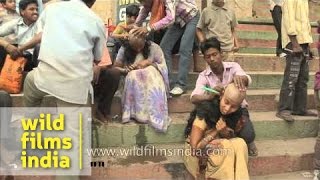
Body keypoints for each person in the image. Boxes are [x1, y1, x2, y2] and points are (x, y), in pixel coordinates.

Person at [190, 37, 257, 156]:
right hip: (217, 111)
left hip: (237, 110)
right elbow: (194, 98)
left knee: (248, 135)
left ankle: (241, 139)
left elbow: (248, 79)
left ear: (221, 53)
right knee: (204, 115)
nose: (212, 59)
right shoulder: (204, 76)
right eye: (208, 56)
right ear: (204, 58)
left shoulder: (233, 67)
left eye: (214, 54)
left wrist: (242, 78)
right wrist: (209, 96)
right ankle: (220, 135)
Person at [184, 83, 250, 180]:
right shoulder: (206, 110)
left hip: (218, 152)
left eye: (233, 106)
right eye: (226, 102)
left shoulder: (236, 114)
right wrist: (216, 131)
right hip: (196, 153)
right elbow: (195, 149)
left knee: (240, 143)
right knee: (225, 145)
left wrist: (223, 132)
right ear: (221, 95)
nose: (227, 109)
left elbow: (231, 137)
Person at [113, 31, 171, 132]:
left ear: (145, 41)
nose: (139, 49)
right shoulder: (124, 49)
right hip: (131, 77)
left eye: (141, 46)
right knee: (134, 76)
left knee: (151, 76)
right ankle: (137, 114)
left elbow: (163, 66)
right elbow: (115, 68)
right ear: (129, 44)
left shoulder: (154, 47)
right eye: (135, 47)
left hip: (152, 77)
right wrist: (125, 70)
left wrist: (150, 63)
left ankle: (154, 115)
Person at [276, 0, 316, 122]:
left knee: (303, 78)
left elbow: (305, 26)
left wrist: (308, 46)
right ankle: (284, 109)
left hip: (303, 43)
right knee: (291, 78)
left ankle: (300, 108)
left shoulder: (304, 2)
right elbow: (289, 20)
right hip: (293, 43)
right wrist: (294, 43)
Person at [0, 0, 38, 71]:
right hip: (21, 58)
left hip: (38, 59)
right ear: (22, 12)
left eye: (37, 9)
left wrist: (20, 49)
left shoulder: (40, 23)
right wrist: (7, 45)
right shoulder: (16, 23)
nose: (35, 12)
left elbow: (39, 38)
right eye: (31, 9)